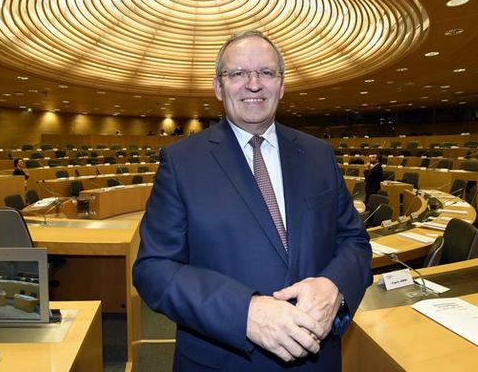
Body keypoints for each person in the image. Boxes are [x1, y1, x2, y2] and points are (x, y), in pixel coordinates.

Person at [133, 30, 372, 371]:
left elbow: (354, 242)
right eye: (238, 73)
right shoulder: (181, 162)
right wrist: (243, 312)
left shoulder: (318, 154)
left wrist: (335, 286)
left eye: (266, 72)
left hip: (317, 359)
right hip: (222, 361)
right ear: (219, 86)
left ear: (281, 84)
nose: (253, 84)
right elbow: (153, 269)